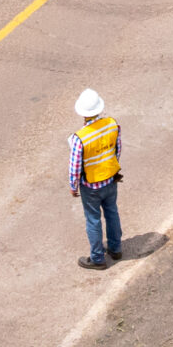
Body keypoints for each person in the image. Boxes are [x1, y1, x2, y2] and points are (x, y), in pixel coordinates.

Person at [69, 90, 123, 270]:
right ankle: (115, 248)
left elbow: (75, 166)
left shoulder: (80, 137)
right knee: (112, 212)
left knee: (93, 219)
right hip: (110, 178)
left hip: (90, 186)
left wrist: (73, 185)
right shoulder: (112, 125)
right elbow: (117, 150)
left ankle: (98, 258)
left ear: (83, 113)